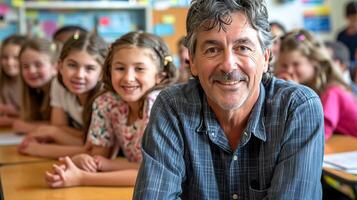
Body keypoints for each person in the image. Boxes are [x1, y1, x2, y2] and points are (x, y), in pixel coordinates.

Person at [133, 0, 324, 199]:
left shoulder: (297, 107)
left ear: (266, 58)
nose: (228, 65)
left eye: (243, 47)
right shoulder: (172, 106)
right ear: (193, 62)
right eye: (212, 50)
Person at [44, 31, 177, 187]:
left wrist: (83, 178)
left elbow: (156, 174)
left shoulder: (157, 103)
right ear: (108, 70)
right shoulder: (107, 102)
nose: (128, 77)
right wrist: (81, 161)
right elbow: (98, 157)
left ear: (159, 76)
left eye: (139, 69)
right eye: (120, 68)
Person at [18, 33, 108, 158]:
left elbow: (93, 150)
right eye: (72, 65)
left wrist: (39, 149)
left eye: (89, 68)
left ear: (101, 73)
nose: (79, 75)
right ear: (60, 66)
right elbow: (60, 127)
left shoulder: (106, 97)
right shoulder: (58, 84)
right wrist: (56, 132)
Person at [277, 29, 357, 140]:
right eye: (284, 66)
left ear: (314, 61)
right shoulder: (315, 88)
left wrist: (295, 92)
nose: (289, 70)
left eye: (296, 64)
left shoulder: (332, 92)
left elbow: (318, 135)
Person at [12, 38, 59, 134]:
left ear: (55, 67)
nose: (31, 71)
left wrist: (26, 127)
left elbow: (62, 128)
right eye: (25, 66)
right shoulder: (36, 91)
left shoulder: (60, 89)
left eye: (38, 65)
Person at [0, 35, 27, 127]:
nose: (9, 63)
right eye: (5, 57)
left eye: (16, 57)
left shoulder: (33, 83)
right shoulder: (3, 81)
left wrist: (11, 113)